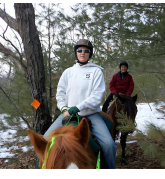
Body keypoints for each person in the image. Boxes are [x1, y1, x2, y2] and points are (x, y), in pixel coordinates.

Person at [44, 39, 117, 169]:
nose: (82, 53)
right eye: (79, 50)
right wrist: (64, 108)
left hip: (90, 114)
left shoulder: (96, 72)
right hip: (67, 114)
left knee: (109, 144)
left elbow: (97, 96)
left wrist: (77, 107)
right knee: (44, 140)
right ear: (76, 52)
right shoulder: (68, 72)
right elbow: (60, 93)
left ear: (90, 54)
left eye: (86, 51)